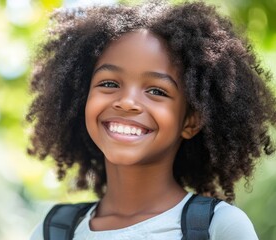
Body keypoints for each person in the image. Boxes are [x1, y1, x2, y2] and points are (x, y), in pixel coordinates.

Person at [26, 1, 276, 239]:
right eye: (109, 83)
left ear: (191, 121)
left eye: (157, 91)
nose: (127, 102)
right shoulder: (53, 231)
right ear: (83, 98)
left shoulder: (219, 226)